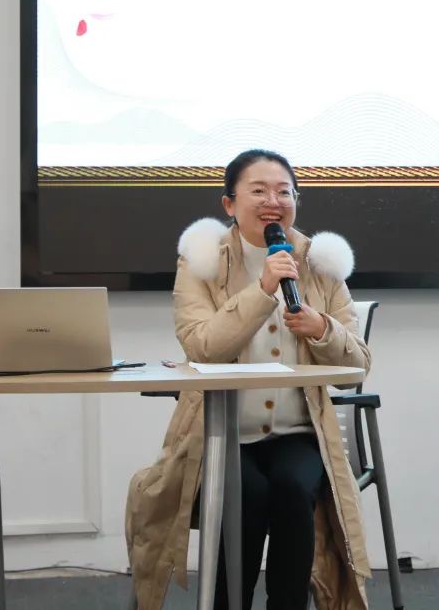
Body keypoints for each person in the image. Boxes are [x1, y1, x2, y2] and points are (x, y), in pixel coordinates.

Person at [125, 149, 372, 610]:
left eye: (284, 192)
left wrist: (322, 328)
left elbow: (357, 365)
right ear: (229, 203)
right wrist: (262, 291)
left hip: (298, 434)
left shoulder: (319, 264)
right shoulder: (201, 262)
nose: (272, 202)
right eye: (258, 191)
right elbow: (202, 346)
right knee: (246, 493)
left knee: (294, 488)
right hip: (222, 434)